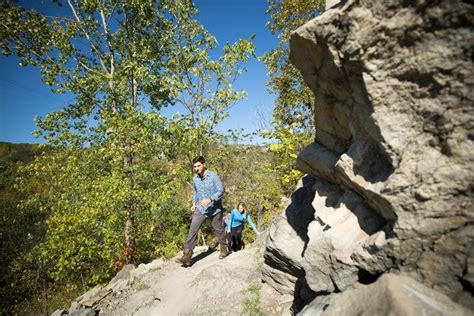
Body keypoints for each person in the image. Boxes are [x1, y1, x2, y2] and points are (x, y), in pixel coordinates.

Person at [177, 156, 229, 267]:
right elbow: (196, 192)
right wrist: (194, 203)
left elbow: (221, 191)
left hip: (215, 209)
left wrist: (210, 199)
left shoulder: (213, 176)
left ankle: (224, 249)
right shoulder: (195, 178)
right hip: (201, 209)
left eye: (199, 165)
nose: (197, 168)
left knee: (219, 230)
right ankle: (187, 256)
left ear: (204, 164)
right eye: (195, 166)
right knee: (192, 231)